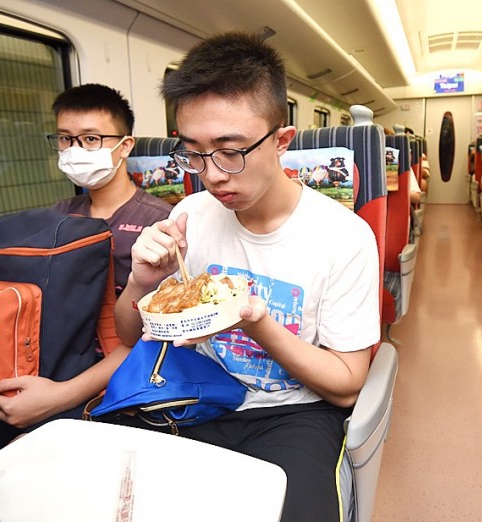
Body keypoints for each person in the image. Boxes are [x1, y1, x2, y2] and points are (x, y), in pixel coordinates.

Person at [113, 31, 380, 521]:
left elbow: (345, 385)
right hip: (197, 393)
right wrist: (141, 282)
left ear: (282, 141)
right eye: (193, 152)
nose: (212, 175)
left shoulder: (345, 236)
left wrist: (256, 322)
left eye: (229, 150)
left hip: (293, 413)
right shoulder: (192, 213)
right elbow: (131, 337)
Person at [0, 84, 172, 464]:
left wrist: (59, 395)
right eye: (65, 139)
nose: (75, 151)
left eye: (91, 139)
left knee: (12, 466)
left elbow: (150, 340)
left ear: (124, 146)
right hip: (40, 365)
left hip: (106, 379)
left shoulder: (158, 223)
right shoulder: (57, 215)